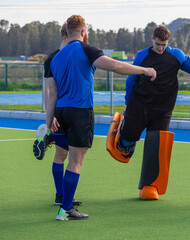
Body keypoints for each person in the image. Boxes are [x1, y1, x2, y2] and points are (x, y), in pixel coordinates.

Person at [43, 15, 156, 221]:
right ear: (84, 30)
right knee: (75, 162)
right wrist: (144, 70)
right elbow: (115, 66)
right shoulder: (86, 49)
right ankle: (66, 209)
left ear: (66, 32)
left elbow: (51, 95)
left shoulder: (55, 58)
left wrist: (49, 121)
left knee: (65, 157)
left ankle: (63, 202)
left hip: (60, 112)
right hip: (80, 112)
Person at [111, 25, 190, 200]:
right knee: (124, 145)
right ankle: (124, 133)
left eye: (164, 45)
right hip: (138, 105)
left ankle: (149, 187)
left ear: (168, 42)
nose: (161, 48)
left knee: (156, 147)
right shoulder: (142, 56)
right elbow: (131, 80)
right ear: (152, 39)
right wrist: (128, 105)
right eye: (158, 44)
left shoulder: (176, 55)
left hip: (163, 109)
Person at [33, 22, 83, 208]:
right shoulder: (61, 56)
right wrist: (51, 115)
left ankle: (60, 195)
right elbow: (49, 92)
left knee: (61, 155)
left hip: (59, 111)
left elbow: (48, 92)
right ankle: (63, 199)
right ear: (65, 36)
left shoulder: (53, 58)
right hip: (69, 111)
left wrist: (50, 115)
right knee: (71, 157)